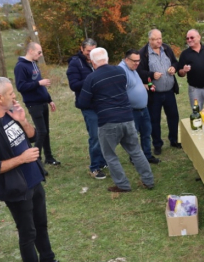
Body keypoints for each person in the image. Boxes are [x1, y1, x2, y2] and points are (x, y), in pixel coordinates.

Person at [0, 77, 72, 262]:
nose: (15, 96)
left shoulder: (11, 116)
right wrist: (21, 159)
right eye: (11, 93)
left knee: (41, 224)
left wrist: (22, 120)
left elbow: (32, 136)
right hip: (16, 189)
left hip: (34, 179)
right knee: (27, 232)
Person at [78, 48, 154, 192]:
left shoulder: (91, 78)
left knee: (110, 155)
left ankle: (123, 185)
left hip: (108, 121)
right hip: (127, 117)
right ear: (106, 59)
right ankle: (148, 181)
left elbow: (82, 103)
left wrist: (97, 102)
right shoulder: (120, 72)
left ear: (93, 62)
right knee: (136, 151)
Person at [14, 42, 60, 169]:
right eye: (39, 52)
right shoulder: (20, 66)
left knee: (46, 131)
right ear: (30, 51)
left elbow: (40, 85)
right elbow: (20, 86)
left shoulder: (34, 63)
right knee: (41, 131)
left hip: (43, 102)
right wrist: (38, 83)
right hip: (33, 104)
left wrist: (49, 100)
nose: (40, 55)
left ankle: (49, 158)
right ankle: (36, 161)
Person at [66, 38, 107, 179]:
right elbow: (73, 84)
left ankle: (102, 161)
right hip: (88, 105)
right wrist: (92, 77)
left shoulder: (98, 61)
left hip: (101, 103)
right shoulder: (75, 63)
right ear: (82, 49)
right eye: (88, 51)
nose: (91, 54)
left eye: (93, 51)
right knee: (95, 135)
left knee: (104, 133)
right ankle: (94, 167)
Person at [138, 29, 181, 155]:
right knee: (154, 119)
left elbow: (175, 62)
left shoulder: (166, 49)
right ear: (150, 40)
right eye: (156, 39)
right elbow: (139, 72)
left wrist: (174, 68)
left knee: (173, 116)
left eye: (160, 38)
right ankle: (157, 144)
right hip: (154, 94)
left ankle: (174, 140)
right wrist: (151, 75)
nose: (159, 41)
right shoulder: (143, 53)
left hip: (169, 92)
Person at [119, 49, 160, 164]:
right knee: (132, 136)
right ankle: (134, 158)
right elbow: (121, 91)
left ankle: (147, 155)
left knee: (146, 132)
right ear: (127, 59)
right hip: (132, 110)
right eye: (134, 61)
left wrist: (143, 86)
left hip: (143, 108)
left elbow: (132, 85)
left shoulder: (132, 68)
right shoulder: (122, 70)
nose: (137, 63)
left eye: (139, 60)